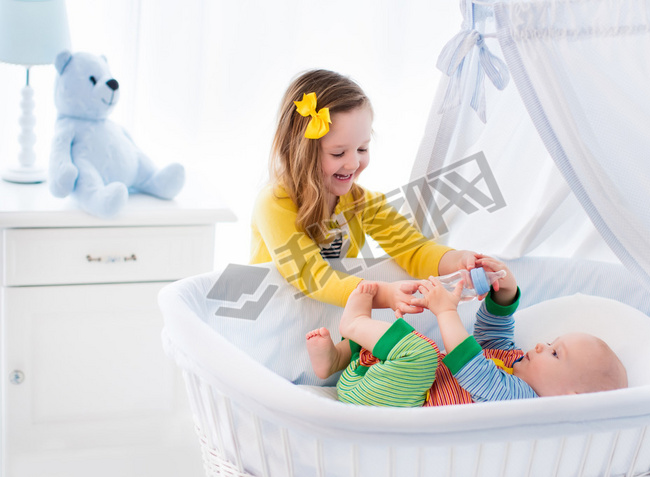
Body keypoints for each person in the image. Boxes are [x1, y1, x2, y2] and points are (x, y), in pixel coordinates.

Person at [250, 69, 482, 314]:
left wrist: (459, 262)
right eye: (338, 153)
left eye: (362, 149)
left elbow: (413, 249)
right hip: (273, 316)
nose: (352, 164)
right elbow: (311, 274)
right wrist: (383, 294)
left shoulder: (362, 203)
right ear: (301, 152)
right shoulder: (274, 203)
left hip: (325, 317)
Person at [305, 257, 628, 407]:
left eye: (556, 353)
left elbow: (471, 366)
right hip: (380, 381)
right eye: (550, 343)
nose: (542, 347)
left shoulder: (522, 402)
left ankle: (353, 324)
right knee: (397, 351)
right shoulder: (515, 362)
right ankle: (334, 361)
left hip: (393, 404)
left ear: (568, 397)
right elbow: (493, 335)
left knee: (421, 353)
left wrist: (446, 310)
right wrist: (504, 292)